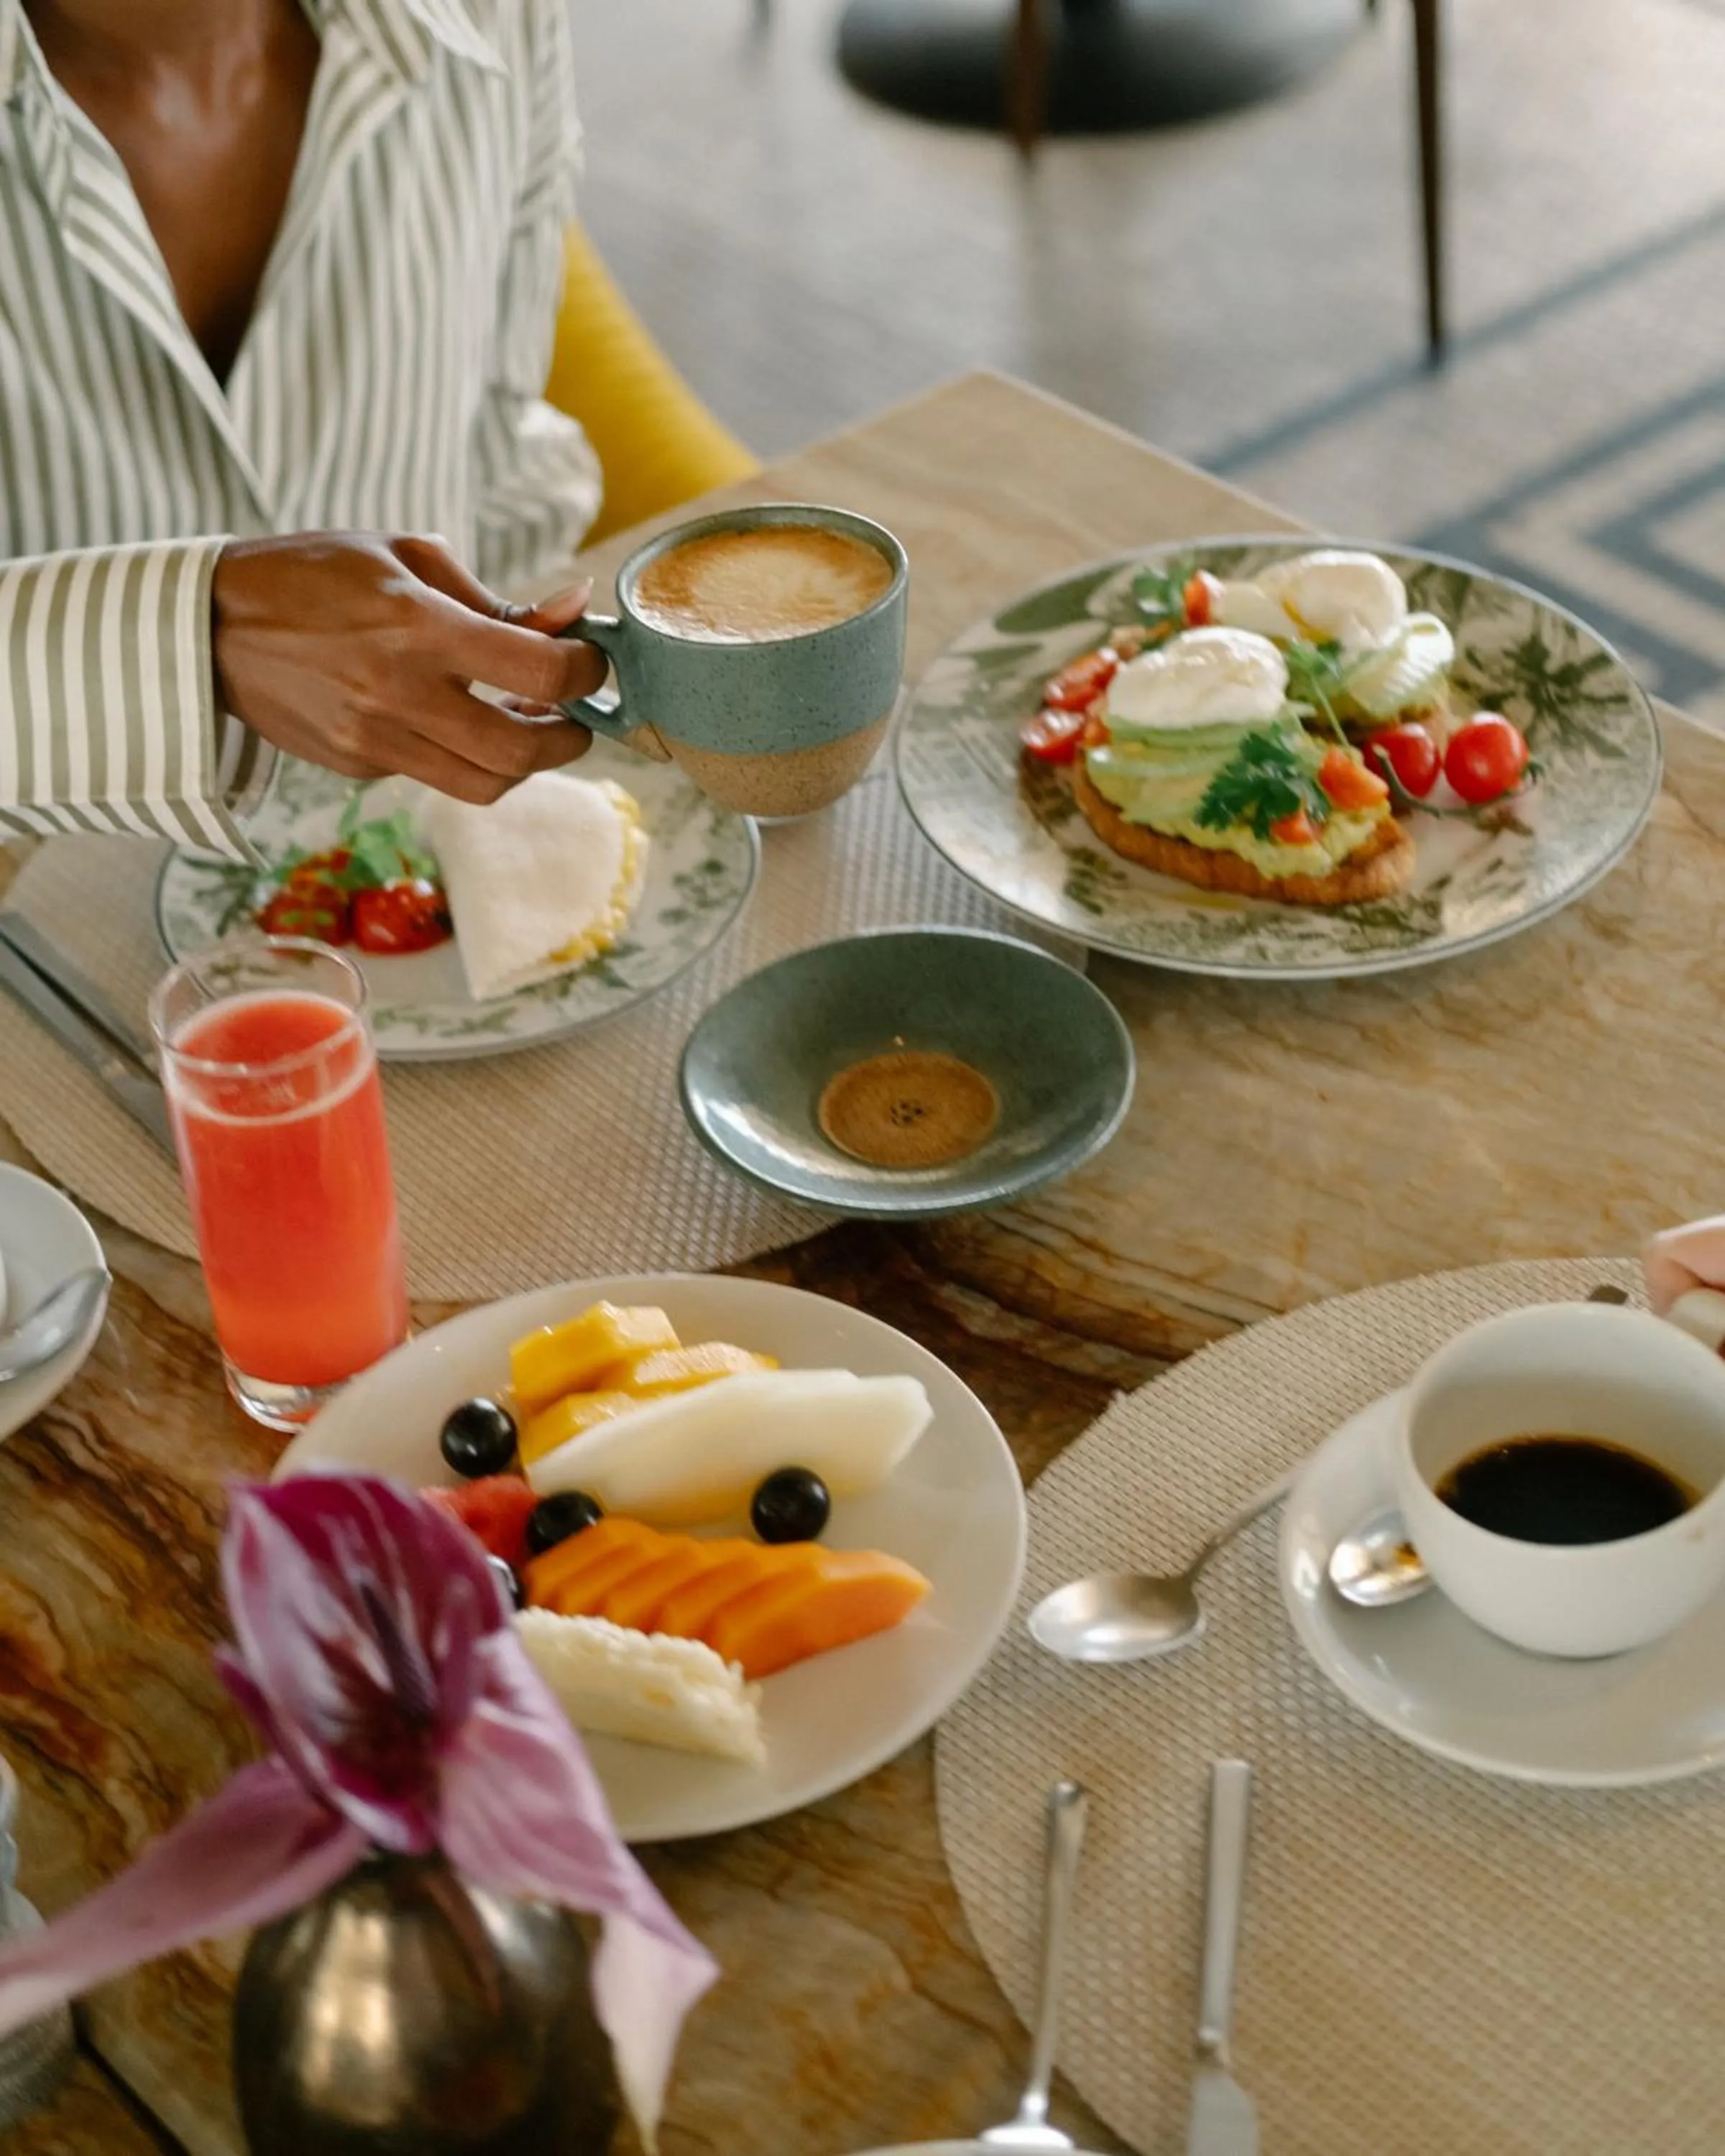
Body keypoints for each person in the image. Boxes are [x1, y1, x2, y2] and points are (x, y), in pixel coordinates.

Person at [0, 0, 608, 857]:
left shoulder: (500, 18)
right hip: (47, 928)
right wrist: (188, 640)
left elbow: (494, 447)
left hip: (424, 859)